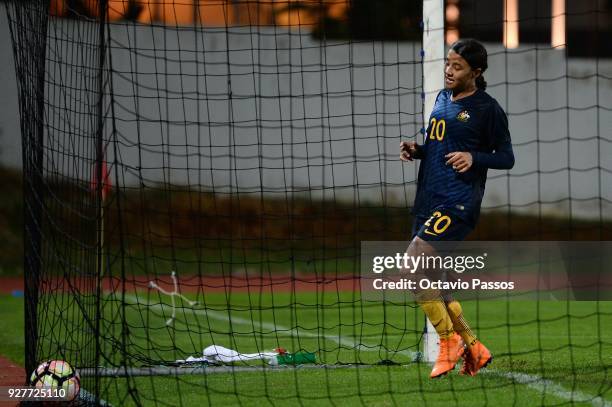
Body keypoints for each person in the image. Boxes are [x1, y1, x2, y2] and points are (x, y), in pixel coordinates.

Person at [399, 38, 515, 378]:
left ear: (476, 72)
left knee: (411, 267)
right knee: (438, 280)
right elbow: (439, 146)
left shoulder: (487, 109)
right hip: (428, 199)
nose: (449, 70)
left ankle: (448, 342)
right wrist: (417, 150)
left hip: (458, 202)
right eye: (448, 64)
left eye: (457, 66)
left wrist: (474, 157)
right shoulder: (441, 99)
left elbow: (507, 157)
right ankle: (474, 347)